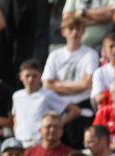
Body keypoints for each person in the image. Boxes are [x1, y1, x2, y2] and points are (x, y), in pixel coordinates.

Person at [43, 15, 100, 147]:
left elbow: (87, 84)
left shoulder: (91, 54)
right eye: (71, 28)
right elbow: (46, 84)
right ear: (63, 32)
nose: (75, 32)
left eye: (78, 29)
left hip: (83, 105)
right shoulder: (55, 55)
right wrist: (76, 86)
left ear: (83, 31)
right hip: (59, 107)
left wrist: (58, 85)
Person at [11, 60, 79, 149]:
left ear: (40, 76)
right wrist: (16, 131)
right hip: (20, 142)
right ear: (21, 76)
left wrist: (56, 125)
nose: (31, 79)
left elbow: (75, 110)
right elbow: (15, 117)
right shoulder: (17, 96)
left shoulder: (47, 95)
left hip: (39, 142)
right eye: (27, 76)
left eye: (34, 76)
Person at [91, 34, 115, 110]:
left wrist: (107, 94)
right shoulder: (99, 72)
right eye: (111, 47)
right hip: (108, 112)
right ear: (105, 51)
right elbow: (98, 98)